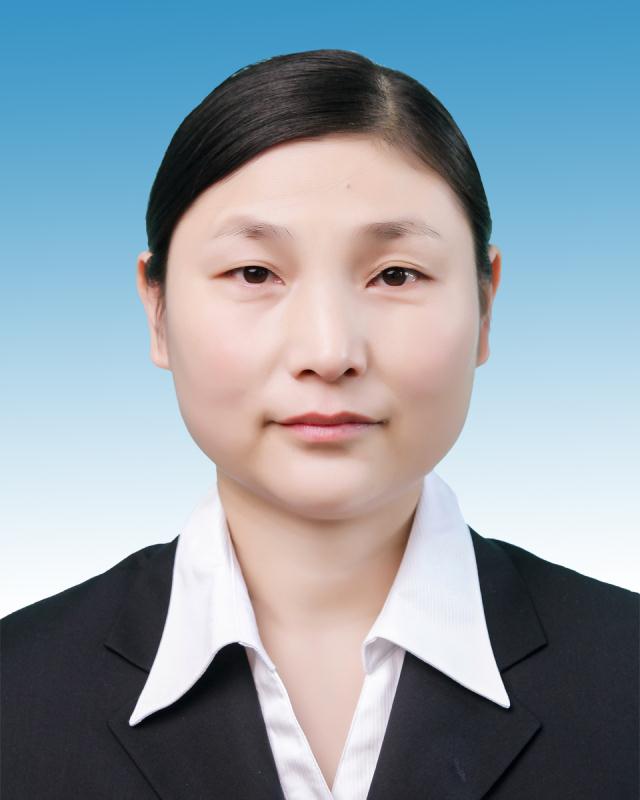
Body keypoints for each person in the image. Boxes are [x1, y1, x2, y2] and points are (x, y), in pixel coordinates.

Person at [1, 48, 638, 800]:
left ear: (485, 304)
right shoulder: (16, 693)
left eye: (395, 274)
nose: (329, 353)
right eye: (254, 273)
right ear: (158, 309)